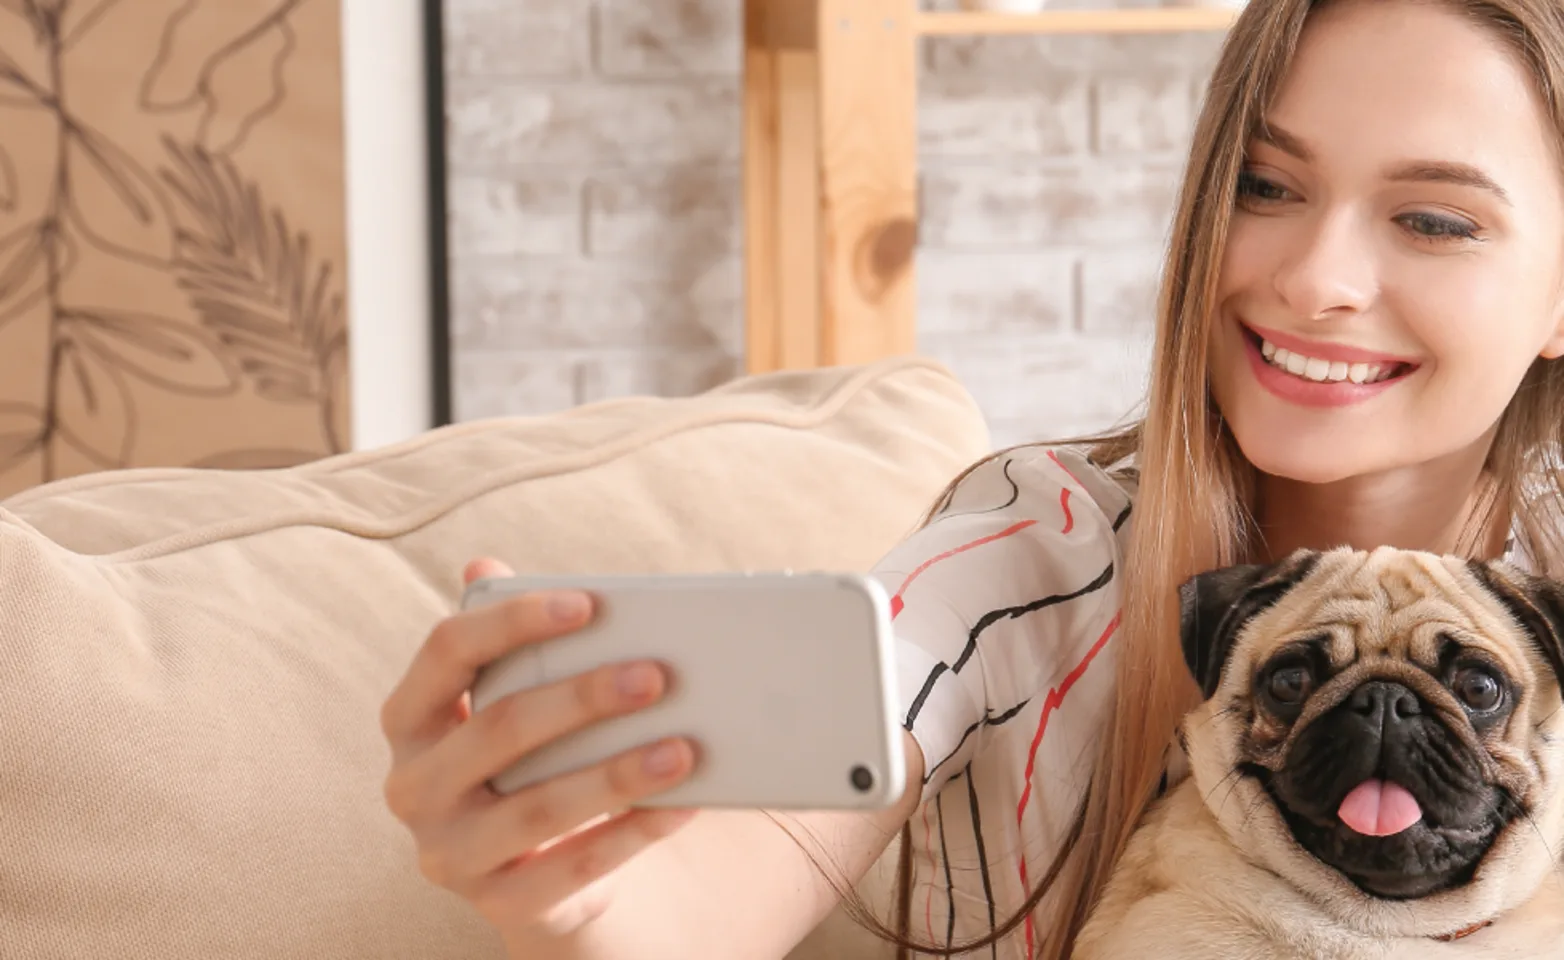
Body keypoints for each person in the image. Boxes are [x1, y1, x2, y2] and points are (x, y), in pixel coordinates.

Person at [377, 0, 1564, 956]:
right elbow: (776, 829)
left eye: (1434, 220)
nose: (1316, 278)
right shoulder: (1029, 550)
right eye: (1265, 187)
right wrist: (584, 903)